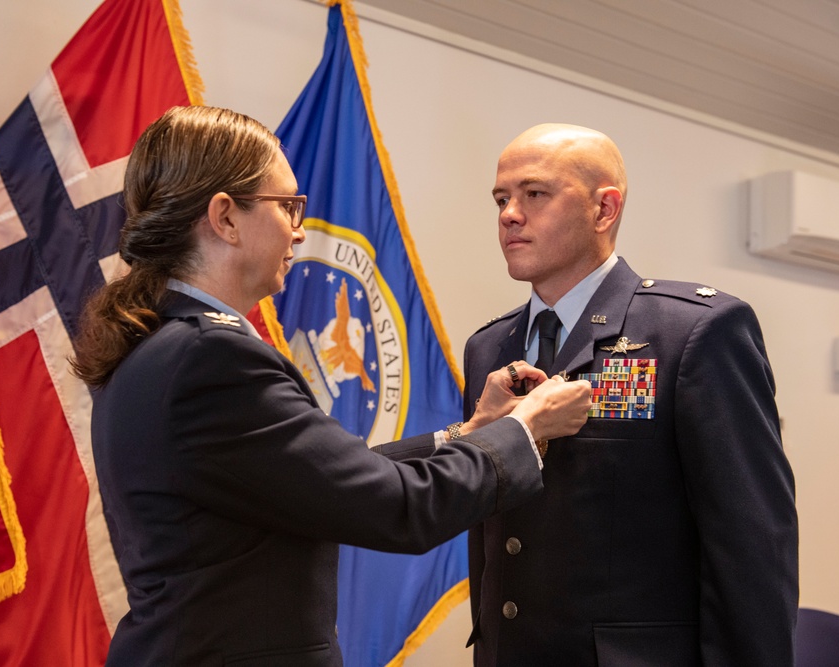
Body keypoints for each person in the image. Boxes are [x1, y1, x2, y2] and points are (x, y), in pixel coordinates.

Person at [71, 106, 593, 667]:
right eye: (288, 205)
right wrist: (523, 429)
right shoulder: (212, 357)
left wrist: (467, 433)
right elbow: (394, 506)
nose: (299, 228)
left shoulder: (161, 344)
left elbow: (319, 478)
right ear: (224, 217)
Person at [462, 123, 799, 665]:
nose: (508, 214)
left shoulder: (690, 333)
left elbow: (752, 544)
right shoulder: (488, 347)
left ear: (604, 210)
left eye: (535, 194)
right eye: (502, 198)